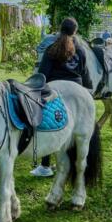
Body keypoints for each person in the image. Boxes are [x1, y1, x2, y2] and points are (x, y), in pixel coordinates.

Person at [33, 17, 88, 177]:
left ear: (59, 29)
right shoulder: (82, 50)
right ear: (75, 32)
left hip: (56, 90)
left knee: (46, 123)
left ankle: (45, 166)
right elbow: (84, 73)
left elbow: (43, 74)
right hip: (77, 91)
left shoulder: (52, 49)